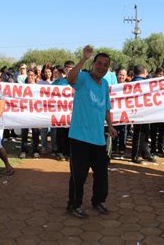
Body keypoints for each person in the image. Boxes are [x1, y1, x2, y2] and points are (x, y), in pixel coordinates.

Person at [66, 46, 117, 218]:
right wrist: (83, 59)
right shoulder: (83, 78)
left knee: (101, 174)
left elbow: (106, 108)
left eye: (105, 65)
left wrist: (110, 125)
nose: (102, 67)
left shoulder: (104, 84)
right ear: (93, 64)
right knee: (78, 176)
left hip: (98, 138)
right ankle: (74, 205)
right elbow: (70, 78)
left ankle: (98, 201)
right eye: (99, 63)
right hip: (79, 137)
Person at [131, 65, 154, 164]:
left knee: (144, 133)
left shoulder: (134, 82)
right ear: (144, 72)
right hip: (140, 112)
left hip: (140, 112)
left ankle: (145, 153)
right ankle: (136, 155)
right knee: (140, 134)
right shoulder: (142, 83)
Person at [52, 60, 75, 161]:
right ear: (64, 70)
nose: (69, 71)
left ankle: (70, 153)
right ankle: (60, 152)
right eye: (67, 69)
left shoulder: (77, 80)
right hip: (61, 111)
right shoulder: (60, 81)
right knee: (60, 132)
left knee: (71, 133)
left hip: (73, 112)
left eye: (71, 69)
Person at [19, 69, 41, 159]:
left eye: (32, 75)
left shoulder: (39, 87)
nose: (30, 77)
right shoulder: (22, 87)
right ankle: (23, 150)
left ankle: (35, 150)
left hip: (35, 113)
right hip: (25, 113)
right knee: (24, 133)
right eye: (29, 75)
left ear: (36, 76)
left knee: (35, 133)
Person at [149, 68, 164, 156]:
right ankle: (153, 148)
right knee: (153, 131)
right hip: (154, 112)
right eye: (159, 74)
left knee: (162, 132)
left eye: (162, 74)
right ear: (155, 74)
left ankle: (160, 148)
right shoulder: (151, 84)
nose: (160, 76)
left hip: (163, 112)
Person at [38, 64, 53, 153]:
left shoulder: (55, 82)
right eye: (46, 72)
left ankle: (53, 147)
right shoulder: (40, 82)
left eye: (49, 71)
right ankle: (43, 146)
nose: (48, 73)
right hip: (43, 109)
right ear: (43, 73)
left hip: (54, 108)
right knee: (44, 129)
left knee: (54, 130)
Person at [112, 69, 128, 157]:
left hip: (124, 112)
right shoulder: (113, 85)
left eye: (123, 75)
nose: (121, 77)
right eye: (120, 74)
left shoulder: (128, 86)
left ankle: (122, 148)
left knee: (123, 131)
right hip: (114, 112)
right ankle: (113, 148)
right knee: (114, 129)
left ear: (126, 76)